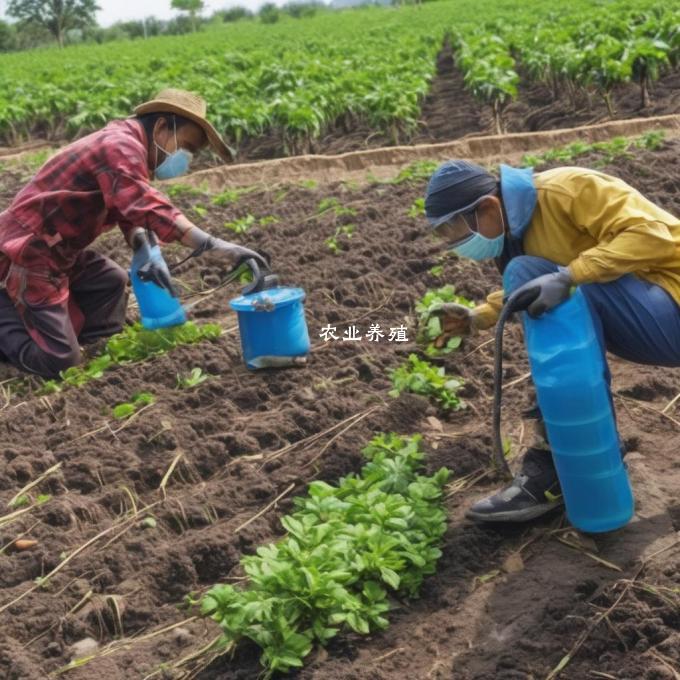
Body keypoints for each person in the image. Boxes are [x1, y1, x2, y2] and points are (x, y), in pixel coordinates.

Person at [423, 159, 680, 522]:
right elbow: (539, 281)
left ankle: (557, 463)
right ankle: (575, 457)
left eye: (455, 229)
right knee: (527, 272)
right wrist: (477, 317)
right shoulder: (515, 229)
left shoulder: (567, 190)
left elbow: (653, 236)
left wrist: (571, 275)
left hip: (672, 300)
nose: (454, 243)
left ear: (488, 206)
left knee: (529, 272)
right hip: (650, 313)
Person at [0, 89, 267, 378]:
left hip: (60, 252)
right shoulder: (119, 145)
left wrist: (144, 248)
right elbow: (143, 203)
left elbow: (129, 210)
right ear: (162, 127)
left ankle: (96, 348)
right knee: (61, 364)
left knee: (110, 280)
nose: (185, 158)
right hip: (31, 253)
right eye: (185, 146)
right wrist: (213, 246)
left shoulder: (128, 147)